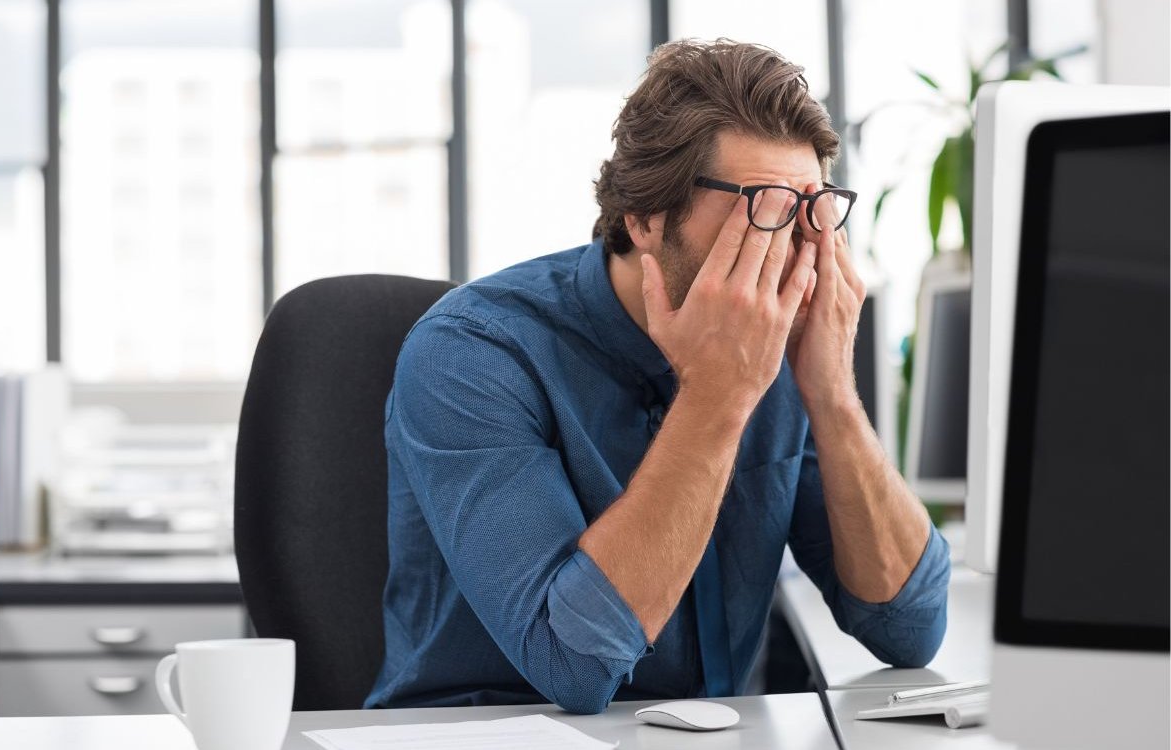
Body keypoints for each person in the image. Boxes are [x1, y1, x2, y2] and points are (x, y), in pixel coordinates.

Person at [364, 39, 950, 715]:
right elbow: (572, 665)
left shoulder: (786, 347)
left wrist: (832, 395)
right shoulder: (472, 353)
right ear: (644, 217)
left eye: (812, 211)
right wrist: (717, 395)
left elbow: (909, 628)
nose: (792, 250)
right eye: (764, 208)